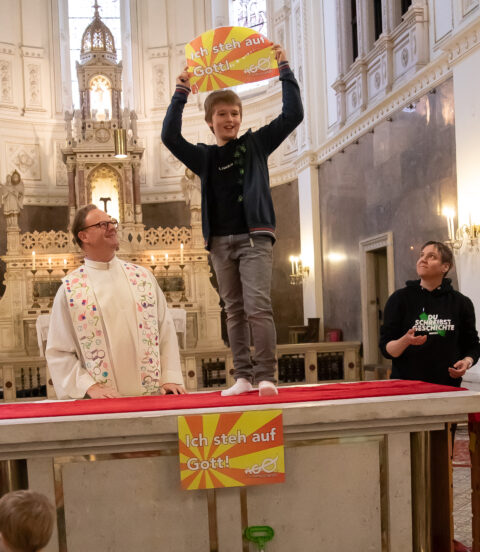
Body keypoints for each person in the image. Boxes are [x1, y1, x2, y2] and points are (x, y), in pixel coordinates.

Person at [161, 44, 303, 397]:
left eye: (235, 113)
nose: (230, 119)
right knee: (234, 311)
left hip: (254, 238)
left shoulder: (256, 145)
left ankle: (266, 375)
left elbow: (293, 115)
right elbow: (169, 136)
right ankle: (242, 376)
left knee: (257, 307)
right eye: (222, 114)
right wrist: (181, 92)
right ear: (210, 121)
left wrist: (283, 68)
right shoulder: (204, 157)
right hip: (221, 243)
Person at [46, 204, 185, 399]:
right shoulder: (71, 290)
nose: (112, 227)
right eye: (103, 224)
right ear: (83, 236)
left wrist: (169, 377)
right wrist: (89, 386)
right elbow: (59, 351)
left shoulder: (142, 277)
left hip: (152, 398)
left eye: (112, 222)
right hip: (103, 404)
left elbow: (165, 329)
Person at [379, 241, 480, 387]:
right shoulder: (399, 299)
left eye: (431, 256)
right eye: (421, 255)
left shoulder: (461, 302)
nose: (423, 259)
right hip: (405, 387)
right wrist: (405, 340)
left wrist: (467, 361)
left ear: (445, 267)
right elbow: (387, 350)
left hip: (447, 386)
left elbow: (473, 345)